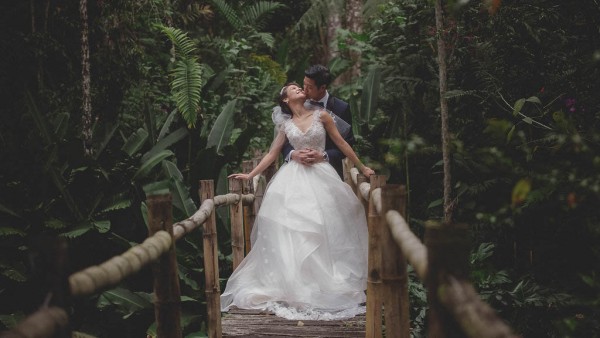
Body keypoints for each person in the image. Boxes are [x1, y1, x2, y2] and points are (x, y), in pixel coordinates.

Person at [221, 82, 374, 321]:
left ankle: (323, 282)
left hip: (322, 175)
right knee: (293, 229)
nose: (299, 88)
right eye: (293, 88)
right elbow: (273, 153)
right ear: (285, 99)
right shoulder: (286, 124)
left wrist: (362, 167)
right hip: (292, 179)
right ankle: (295, 283)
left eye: (299, 86)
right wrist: (251, 175)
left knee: (323, 227)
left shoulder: (322, 115)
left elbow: (342, 144)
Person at [282, 64, 354, 180]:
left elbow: (347, 143)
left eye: (309, 87)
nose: (304, 89)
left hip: (330, 173)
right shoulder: (297, 102)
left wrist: (324, 156)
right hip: (297, 173)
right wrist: (293, 154)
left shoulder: (341, 108)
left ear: (322, 88)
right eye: (304, 84)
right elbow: (285, 138)